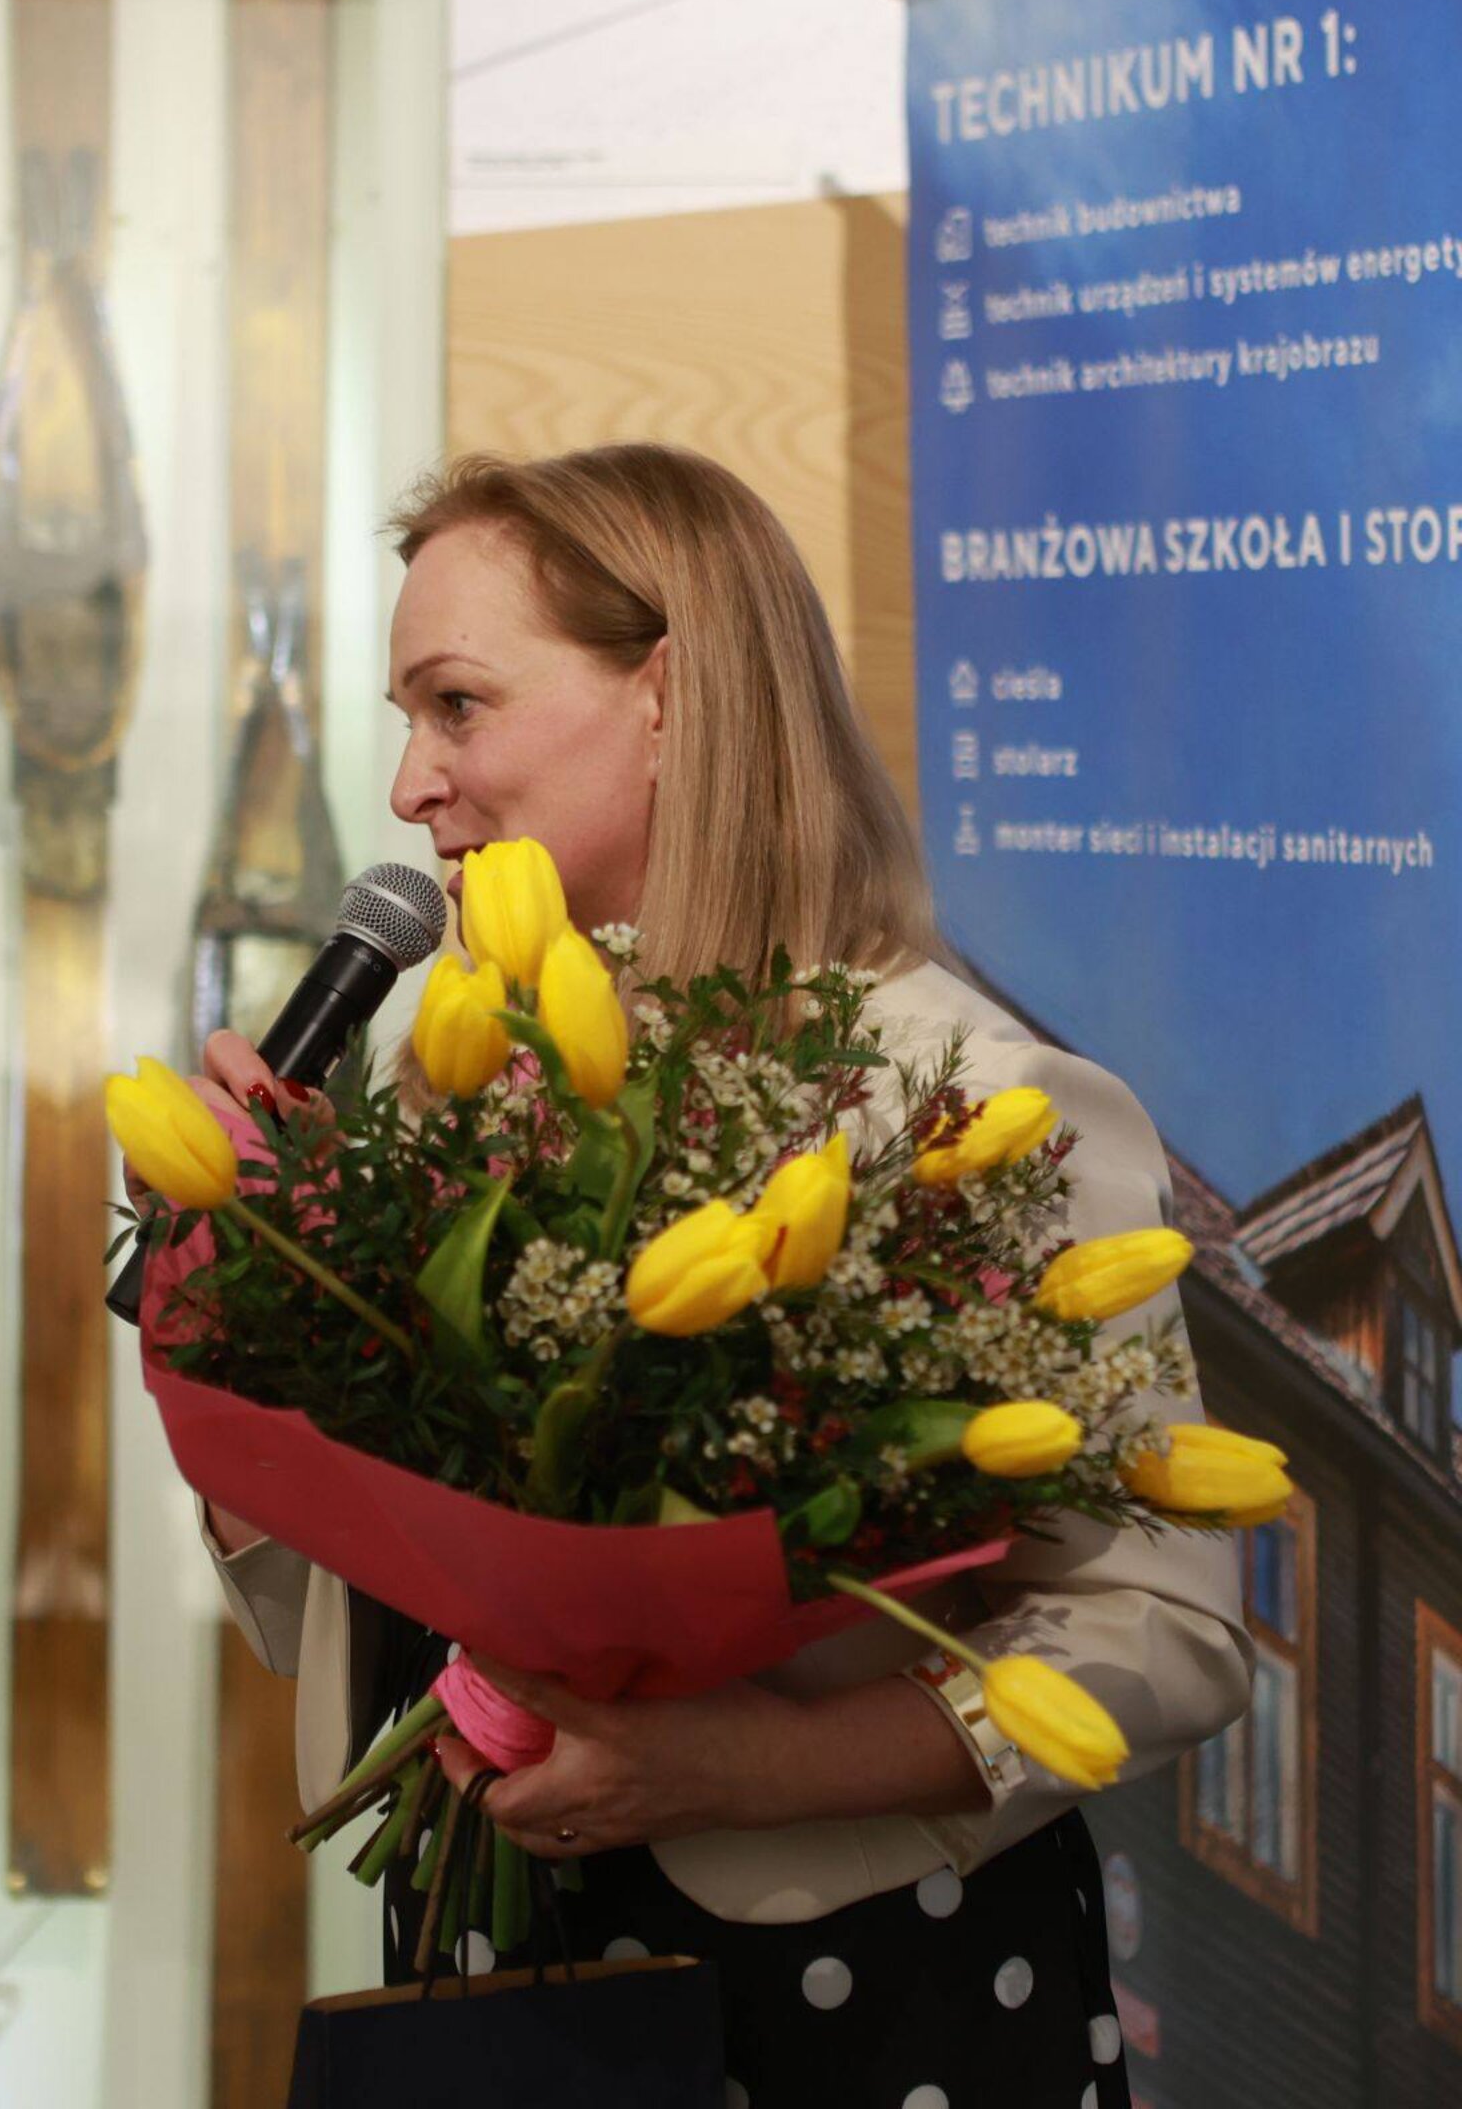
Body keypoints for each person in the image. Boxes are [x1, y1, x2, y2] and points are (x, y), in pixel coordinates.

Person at [169, 443, 1252, 2107]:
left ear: (670, 698)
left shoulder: (973, 1102)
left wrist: (754, 1764)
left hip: (877, 2010)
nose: (408, 788)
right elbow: (361, 1611)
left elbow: (1165, 1635)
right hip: (494, 1969)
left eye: (457, 706)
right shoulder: (452, 1080)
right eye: (409, 717)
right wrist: (235, 1309)